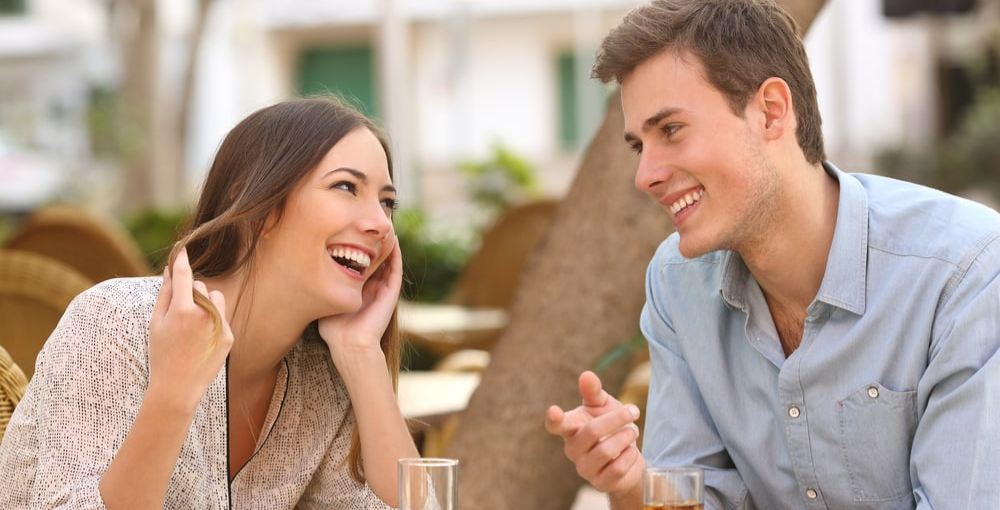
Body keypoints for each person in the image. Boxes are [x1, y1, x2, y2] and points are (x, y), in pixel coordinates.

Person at [545, 1, 1000, 509]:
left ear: (771, 111)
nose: (645, 176)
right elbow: (693, 497)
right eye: (639, 146)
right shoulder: (677, 283)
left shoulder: (966, 271)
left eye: (670, 129)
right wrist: (631, 482)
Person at [0, 97, 420, 509]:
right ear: (257, 210)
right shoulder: (115, 324)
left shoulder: (319, 375)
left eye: (387, 203)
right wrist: (173, 392)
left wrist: (361, 354)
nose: (381, 224)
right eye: (346, 187)